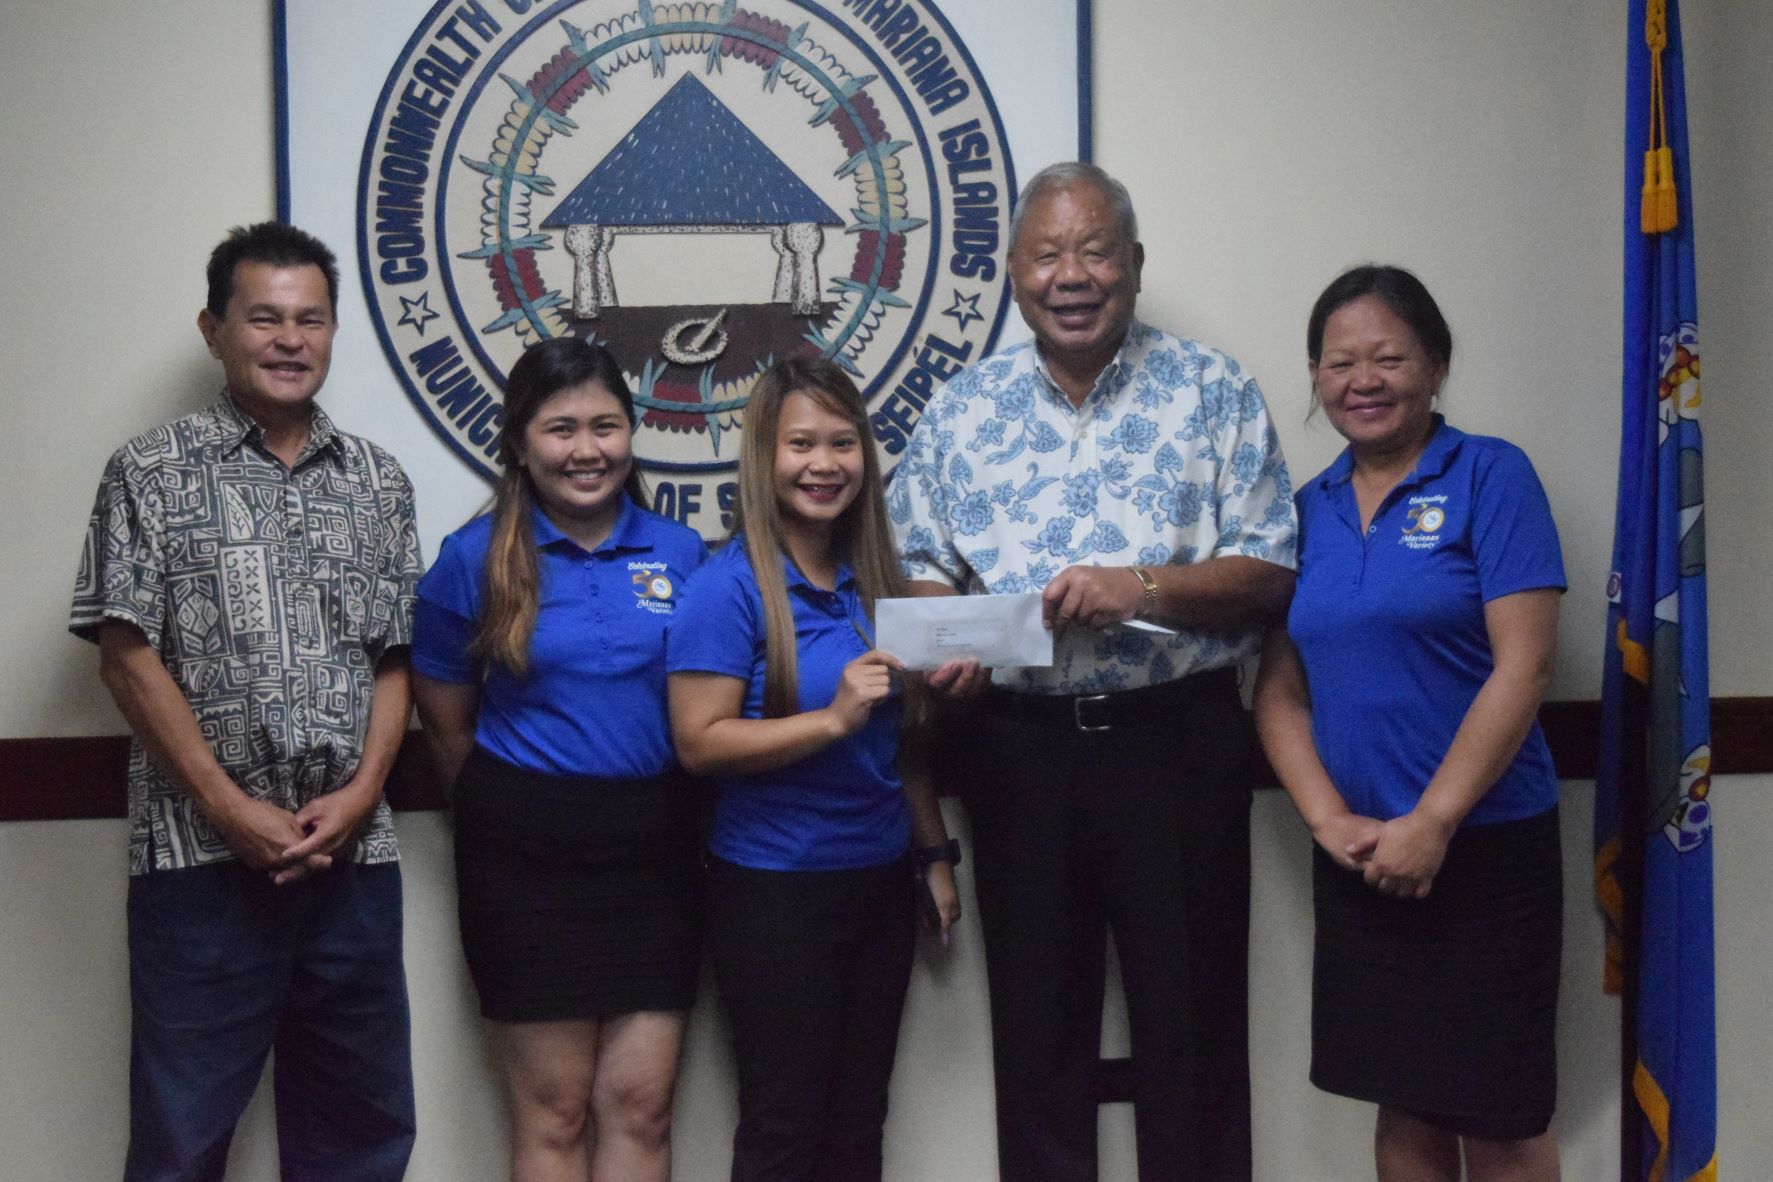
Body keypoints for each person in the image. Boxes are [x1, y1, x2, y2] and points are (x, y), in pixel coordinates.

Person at [886, 161, 1297, 1181]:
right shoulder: (961, 408)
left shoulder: (1214, 389)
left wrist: (1142, 588)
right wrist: (960, 646)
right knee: (1038, 1036)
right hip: (1017, 752)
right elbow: (912, 579)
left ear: (1135, 264)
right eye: (1048, 254)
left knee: (1193, 1030)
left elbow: (1272, 571)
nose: (1072, 274)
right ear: (1014, 272)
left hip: (1179, 741)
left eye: (1096, 250)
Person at [69, 221, 421, 1181]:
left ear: (334, 331)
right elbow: (125, 656)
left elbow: (396, 659)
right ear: (212, 329)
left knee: (361, 1136)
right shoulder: (148, 471)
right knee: (183, 1141)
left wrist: (359, 798)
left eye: (310, 318)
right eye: (263, 317)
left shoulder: (379, 484)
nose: (288, 338)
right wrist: (232, 811)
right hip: (198, 865)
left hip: (352, 859)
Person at [1252, 265, 1564, 1182]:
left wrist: (1431, 824)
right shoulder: (1301, 512)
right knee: (1405, 1105)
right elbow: (1278, 691)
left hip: (1484, 848)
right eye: (1340, 361)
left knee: (1499, 1115)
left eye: (1388, 357)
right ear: (1314, 377)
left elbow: (1526, 663)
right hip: (1361, 859)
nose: (1364, 379)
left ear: (1433, 365)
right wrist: (1327, 822)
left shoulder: (1490, 475)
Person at [410, 336, 707, 1182]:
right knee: (555, 1112)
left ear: (632, 432)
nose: (587, 450)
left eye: (606, 426)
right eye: (561, 428)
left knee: (641, 1109)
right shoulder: (472, 561)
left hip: (657, 853)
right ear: (519, 441)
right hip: (524, 859)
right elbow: (447, 730)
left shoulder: (681, 553)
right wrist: (525, 811)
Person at [666, 356, 960, 1182]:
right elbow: (699, 742)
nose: (823, 464)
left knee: (859, 1121)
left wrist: (932, 854)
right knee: (784, 1126)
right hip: (772, 892)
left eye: (842, 443)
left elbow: (898, 746)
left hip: (876, 882)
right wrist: (829, 718)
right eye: (800, 443)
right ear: (763, 457)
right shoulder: (723, 590)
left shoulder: (877, 590)